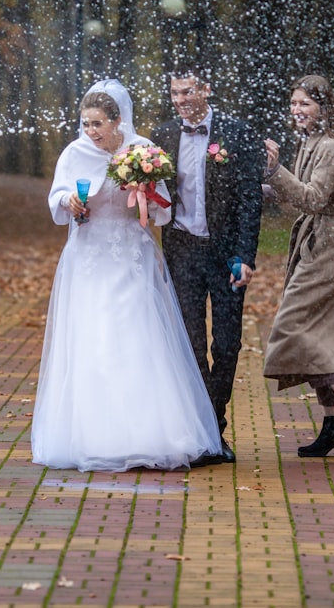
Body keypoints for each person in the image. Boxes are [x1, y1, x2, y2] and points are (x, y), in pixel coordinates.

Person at [31, 79, 222, 472]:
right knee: (94, 337)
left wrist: (145, 192)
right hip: (88, 258)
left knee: (136, 334)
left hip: (132, 256)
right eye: (85, 124)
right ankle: (94, 434)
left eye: (97, 123)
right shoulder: (75, 152)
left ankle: (147, 433)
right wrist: (69, 202)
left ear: (118, 120)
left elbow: (165, 210)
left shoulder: (142, 151)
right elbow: (56, 199)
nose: (90, 132)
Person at [149, 66, 264, 464]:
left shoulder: (237, 133)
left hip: (228, 252)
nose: (180, 100)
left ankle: (214, 415)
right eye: (174, 93)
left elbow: (252, 200)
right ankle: (210, 428)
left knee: (227, 343)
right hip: (182, 249)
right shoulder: (161, 136)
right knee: (192, 343)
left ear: (206, 90)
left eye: (187, 92)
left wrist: (246, 258)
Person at [262, 75, 334, 458]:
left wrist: (275, 170)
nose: (297, 110)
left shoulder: (329, 146)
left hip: (330, 245)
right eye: (294, 103)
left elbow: (312, 199)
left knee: (292, 326)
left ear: (323, 109)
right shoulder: (311, 141)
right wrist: (253, 180)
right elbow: (298, 196)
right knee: (325, 335)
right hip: (322, 239)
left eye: (305, 104)